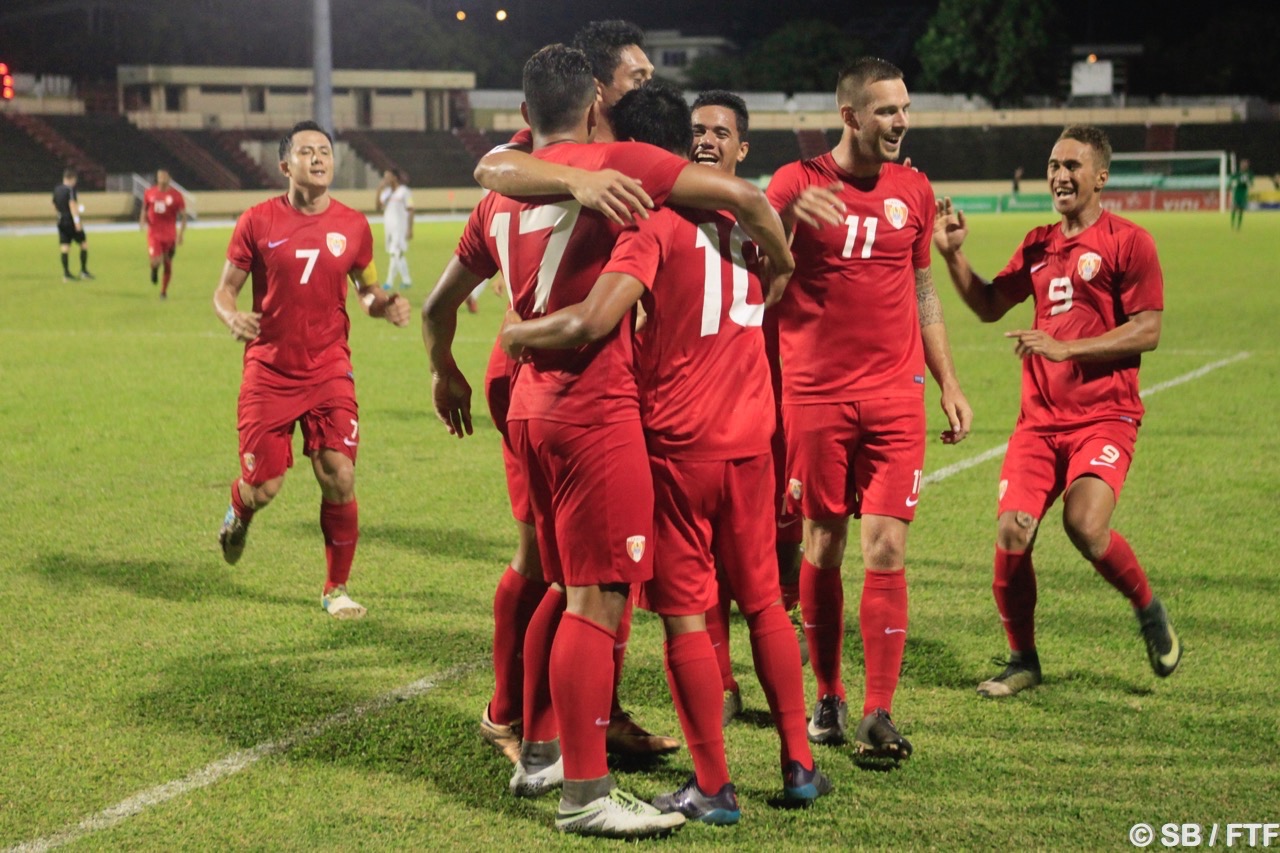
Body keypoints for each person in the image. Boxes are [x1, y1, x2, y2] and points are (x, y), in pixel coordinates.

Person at [428, 44, 790, 839]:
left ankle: (537, 750)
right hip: (592, 405)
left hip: (527, 412)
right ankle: (586, 792)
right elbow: (739, 195)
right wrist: (782, 263)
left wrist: (444, 369)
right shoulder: (621, 163)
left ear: (526, 115)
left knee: (554, 581)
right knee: (596, 598)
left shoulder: (501, 191)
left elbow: (438, 300)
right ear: (597, 99)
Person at [498, 82, 827, 824]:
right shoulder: (753, 222)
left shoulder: (654, 222)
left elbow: (597, 315)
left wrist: (518, 334)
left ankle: (712, 785)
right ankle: (799, 763)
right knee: (767, 604)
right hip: (754, 439)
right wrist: (783, 261)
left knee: (685, 617)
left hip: (678, 444)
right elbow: (776, 249)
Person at [461, 17, 676, 767]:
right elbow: (492, 167)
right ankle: (519, 717)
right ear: (596, 91)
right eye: (637, 78)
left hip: (562, 367)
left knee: (584, 563)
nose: (648, 88)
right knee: (555, 564)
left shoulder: (617, 157)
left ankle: (587, 715)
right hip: (545, 367)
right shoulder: (557, 155)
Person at [764, 57, 973, 760]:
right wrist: (783, 221)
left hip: (894, 397)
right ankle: (827, 695)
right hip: (816, 396)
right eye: (886, 110)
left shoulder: (914, 187)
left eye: (904, 108)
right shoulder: (795, 183)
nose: (900, 121)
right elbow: (757, 286)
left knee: (887, 546)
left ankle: (879, 711)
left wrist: (947, 379)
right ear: (850, 116)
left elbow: (923, 292)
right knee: (822, 547)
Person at [932, 124, 1182, 698]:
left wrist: (1068, 347)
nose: (1060, 176)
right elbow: (991, 304)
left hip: (1104, 417)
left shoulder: (1129, 241)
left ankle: (1148, 608)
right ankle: (1023, 660)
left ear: (1101, 176)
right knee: (1013, 531)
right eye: (1053, 165)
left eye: (1073, 166)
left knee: (1084, 524)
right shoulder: (1039, 242)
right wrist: (953, 257)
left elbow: (1149, 329)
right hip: (1039, 425)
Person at [213, 120, 411, 620]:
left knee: (338, 475)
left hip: (328, 367)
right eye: (307, 152)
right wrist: (230, 315)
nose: (319, 158)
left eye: (325, 151)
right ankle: (240, 508)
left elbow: (365, 288)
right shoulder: (257, 222)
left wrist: (381, 303)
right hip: (270, 370)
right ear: (286, 165)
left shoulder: (353, 226)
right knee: (265, 488)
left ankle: (335, 588)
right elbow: (225, 290)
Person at [684, 91, 806, 726]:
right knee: (720, 579)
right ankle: (733, 693)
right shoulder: (671, 207)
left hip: (737, 420)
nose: (707, 140)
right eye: (698, 130)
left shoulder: (686, 214)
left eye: (721, 133)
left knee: (737, 580)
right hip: (709, 422)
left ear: (743, 146)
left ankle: (732, 743)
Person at [140, 168, 187, 299]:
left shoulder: (176, 196)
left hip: (170, 234)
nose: (162, 178)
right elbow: (144, 208)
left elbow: (183, 216)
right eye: (160, 176)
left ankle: (163, 292)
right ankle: (154, 270)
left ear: (169, 178)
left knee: (167, 263)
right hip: (154, 233)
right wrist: (142, 220)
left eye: (165, 176)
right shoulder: (150, 192)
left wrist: (180, 234)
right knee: (156, 261)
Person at [375, 169, 414, 289]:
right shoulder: (386, 193)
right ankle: (400, 281)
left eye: (388, 177)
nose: (385, 179)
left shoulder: (404, 192)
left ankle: (395, 281)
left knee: (395, 253)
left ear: (395, 178)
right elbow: (378, 208)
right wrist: (379, 190)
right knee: (396, 255)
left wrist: (410, 229)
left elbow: (411, 209)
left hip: (400, 228)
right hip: (389, 229)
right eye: (384, 177)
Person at [52, 168, 93, 282]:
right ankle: (83, 271)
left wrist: (60, 214)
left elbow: (54, 205)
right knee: (84, 244)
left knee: (65, 247)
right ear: (71, 178)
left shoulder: (57, 189)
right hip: (70, 221)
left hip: (61, 221)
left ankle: (66, 274)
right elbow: (72, 205)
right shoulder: (70, 190)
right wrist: (77, 221)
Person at [1229, 157, 1253, 230]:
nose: (1243, 166)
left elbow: (1251, 184)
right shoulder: (1237, 173)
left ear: (1247, 166)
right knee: (1234, 208)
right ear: (1240, 165)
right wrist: (1234, 183)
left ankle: (1238, 226)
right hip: (1236, 194)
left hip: (1243, 194)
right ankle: (1232, 225)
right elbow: (1231, 181)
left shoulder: (1249, 174)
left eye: (1245, 165)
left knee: (1241, 211)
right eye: (1242, 164)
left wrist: (1247, 182)